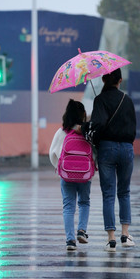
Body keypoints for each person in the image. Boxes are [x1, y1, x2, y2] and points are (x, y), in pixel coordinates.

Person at [81, 68, 136, 252]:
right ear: (120, 80)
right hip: (127, 148)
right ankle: (125, 235)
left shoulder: (100, 100)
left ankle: (111, 239)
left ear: (104, 80)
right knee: (124, 192)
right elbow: (133, 129)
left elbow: (96, 127)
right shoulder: (127, 100)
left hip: (107, 148)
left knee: (109, 194)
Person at [49, 99, 91, 251]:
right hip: (85, 175)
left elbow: (52, 153)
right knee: (84, 202)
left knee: (68, 207)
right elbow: (95, 154)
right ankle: (82, 230)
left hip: (66, 175)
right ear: (82, 115)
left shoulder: (61, 132)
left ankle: (70, 240)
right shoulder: (87, 133)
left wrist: (60, 168)